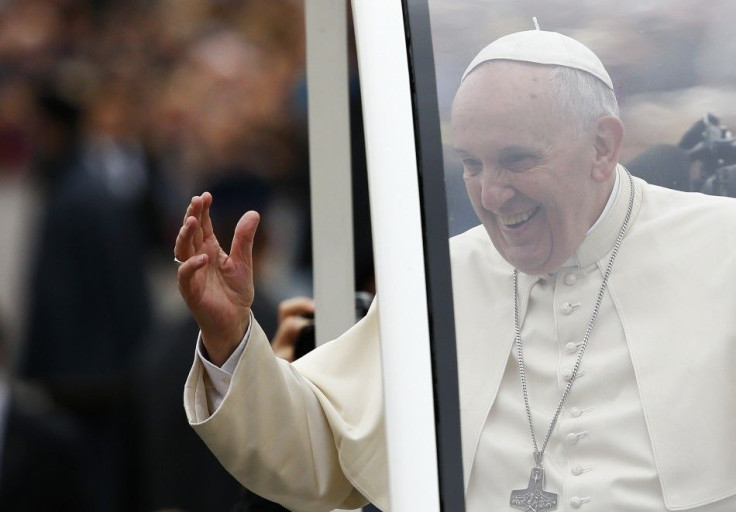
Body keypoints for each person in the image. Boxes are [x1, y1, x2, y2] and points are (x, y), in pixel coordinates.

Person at [176, 29, 736, 511]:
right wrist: (230, 338)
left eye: (517, 159)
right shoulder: (440, 279)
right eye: (472, 164)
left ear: (602, 147)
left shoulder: (723, 245)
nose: (492, 195)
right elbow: (318, 453)